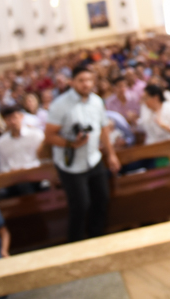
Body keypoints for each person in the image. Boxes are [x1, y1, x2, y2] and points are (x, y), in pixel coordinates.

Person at [43, 63, 120, 242]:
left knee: (101, 199)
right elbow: (49, 136)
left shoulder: (97, 101)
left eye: (89, 80)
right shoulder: (60, 104)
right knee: (80, 206)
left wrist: (111, 154)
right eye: (81, 80)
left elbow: (103, 129)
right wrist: (71, 143)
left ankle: (96, 238)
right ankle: (76, 244)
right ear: (72, 82)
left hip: (93, 159)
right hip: (71, 165)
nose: (86, 84)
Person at [0, 107, 44, 173]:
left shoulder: (36, 134)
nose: (13, 122)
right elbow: (2, 166)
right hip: (12, 176)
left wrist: (26, 168)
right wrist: (11, 171)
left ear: (21, 116)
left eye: (15, 117)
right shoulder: (1, 142)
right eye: (8, 119)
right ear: (4, 121)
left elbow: (43, 160)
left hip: (35, 173)